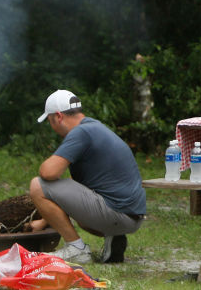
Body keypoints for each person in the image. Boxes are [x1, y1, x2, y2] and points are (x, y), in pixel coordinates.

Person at [28, 89, 146, 263]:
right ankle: (113, 237)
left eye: (50, 121)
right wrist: (44, 221)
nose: (51, 127)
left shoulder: (80, 133)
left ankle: (77, 249)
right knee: (70, 187)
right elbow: (77, 191)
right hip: (132, 216)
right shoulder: (94, 127)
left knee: (38, 185)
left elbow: (48, 172)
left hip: (117, 213)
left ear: (59, 116)